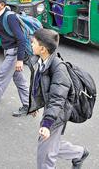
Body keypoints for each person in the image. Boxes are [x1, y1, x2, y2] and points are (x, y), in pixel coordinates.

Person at [29, 29, 89, 169]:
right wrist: (35, 106)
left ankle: (78, 153)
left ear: (43, 49)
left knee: (45, 156)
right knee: (51, 145)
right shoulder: (42, 60)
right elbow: (38, 85)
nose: (31, 44)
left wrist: (47, 123)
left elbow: (57, 99)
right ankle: (79, 153)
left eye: (33, 43)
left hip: (58, 112)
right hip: (52, 109)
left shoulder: (58, 69)